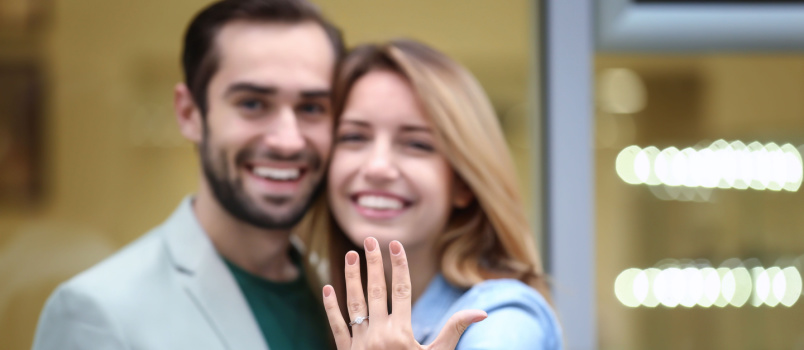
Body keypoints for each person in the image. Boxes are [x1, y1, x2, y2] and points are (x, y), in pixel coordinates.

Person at [32, 0, 345, 349]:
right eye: (253, 103)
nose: (287, 141)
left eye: (312, 108)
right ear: (189, 113)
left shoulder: (345, 297)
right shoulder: (97, 312)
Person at [317, 40, 563, 349]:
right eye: (354, 137)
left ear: (463, 185)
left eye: (417, 144)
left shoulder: (502, 318)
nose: (378, 167)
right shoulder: (318, 307)